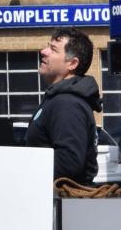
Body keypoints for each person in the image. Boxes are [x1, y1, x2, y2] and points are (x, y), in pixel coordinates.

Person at [25, 30, 101, 186]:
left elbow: (69, 163)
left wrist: (23, 170)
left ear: (72, 63)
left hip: (61, 205)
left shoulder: (67, 104)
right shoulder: (58, 99)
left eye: (53, 49)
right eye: (48, 46)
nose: (43, 52)